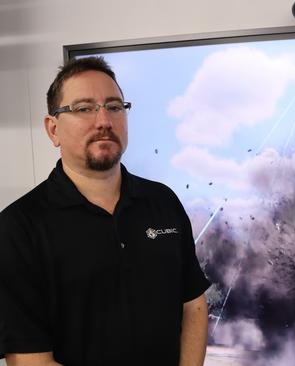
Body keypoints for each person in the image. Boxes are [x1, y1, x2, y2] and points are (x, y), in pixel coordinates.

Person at [0, 56, 211, 366]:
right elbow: (30, 359)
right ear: (53, 129)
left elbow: (192, 305)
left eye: (114, 107)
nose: (103, 121)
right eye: (84, 108)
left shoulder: (162, 201)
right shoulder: (18, 228)